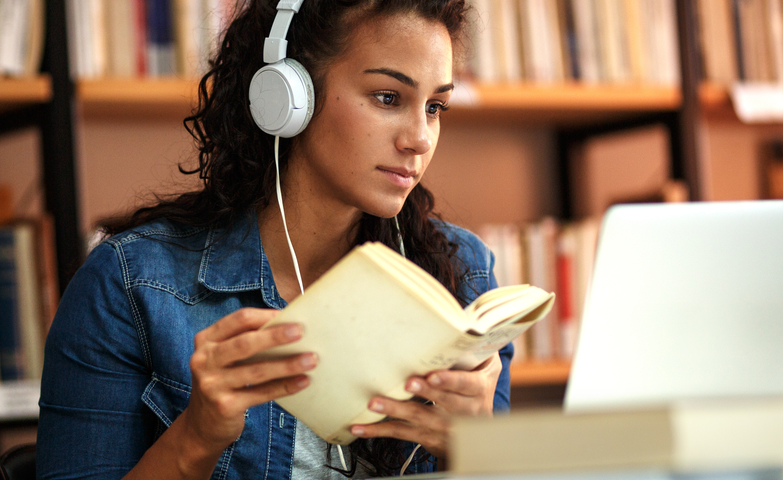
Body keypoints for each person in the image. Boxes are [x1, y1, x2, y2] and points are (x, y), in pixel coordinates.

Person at [36, 0, 513, 477]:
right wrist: (196, 438)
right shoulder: (129, 285)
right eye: (388, 97)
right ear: (288, 96)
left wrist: (471, 450)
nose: (420, 138)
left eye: (435, 107)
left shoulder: (462, 274)